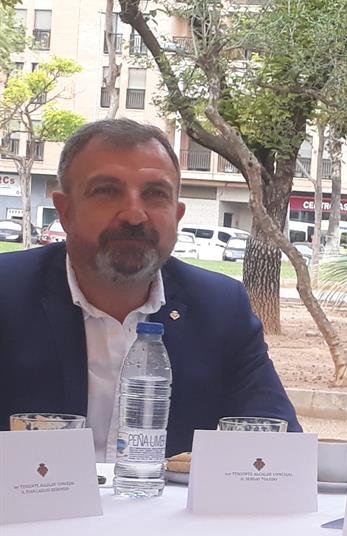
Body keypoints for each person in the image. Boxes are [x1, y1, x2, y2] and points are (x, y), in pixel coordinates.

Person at [0, 118, 298, 459]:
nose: (134, 215)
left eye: (155, 194)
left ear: (177, 215)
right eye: (107, 191)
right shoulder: (7, 294)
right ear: (65, 212)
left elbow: (278, 449)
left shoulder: (220, 308)